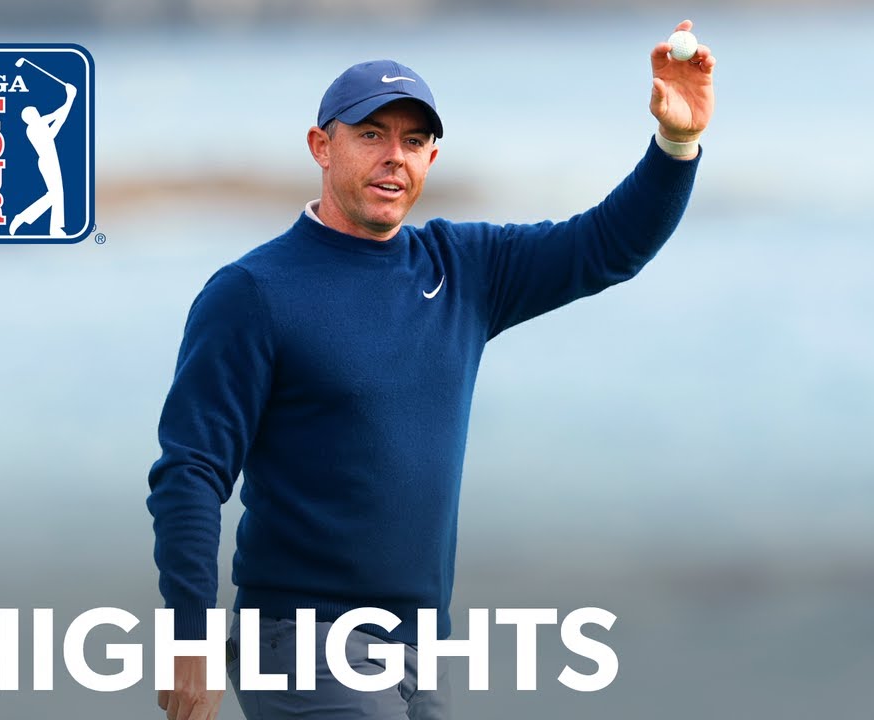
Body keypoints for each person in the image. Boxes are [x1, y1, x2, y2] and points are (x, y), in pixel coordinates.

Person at [147, 19, 715, 720]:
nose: (395, 157)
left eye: (414, 141)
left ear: (432, 158)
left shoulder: (462, 268)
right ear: (321, 145)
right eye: (372, 134)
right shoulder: (254, 292)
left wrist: (677, 143)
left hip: (423, 651)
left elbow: (606, 246)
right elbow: (191, 471)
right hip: (302, 642)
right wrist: (188, 638)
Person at [9, 81, 76, 237]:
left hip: (51, 159)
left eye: (36, 110)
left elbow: (59, 120)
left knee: (57, 194)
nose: (37, 112)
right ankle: (24, 217)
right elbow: (57, 116)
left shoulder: (39, 125)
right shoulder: (34, 127)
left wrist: (70, 99)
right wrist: (70, 97)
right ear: (29, 117)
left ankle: (54, 228)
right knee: (54, 195)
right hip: (47, 161)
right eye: (34, 112)